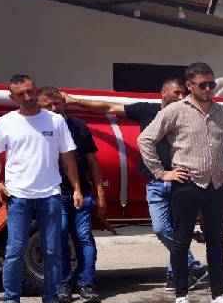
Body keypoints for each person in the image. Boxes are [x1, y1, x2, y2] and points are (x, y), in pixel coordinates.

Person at [65, 78, 208, 290]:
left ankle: (175, 274)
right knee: (161, 229)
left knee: (177, 230)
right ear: (163, 92)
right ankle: (192, 265)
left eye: (183, 94)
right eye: (176, 93)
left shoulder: (187, 114)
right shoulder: (146, 111)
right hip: (156, 181)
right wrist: (75, 101)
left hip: (182, 182)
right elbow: (109, 106)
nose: (180, 97)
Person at [138, 62, 223, 303]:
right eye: (204, 85)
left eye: (212, 84)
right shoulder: (175, 110)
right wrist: (162, 173)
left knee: (216, 243)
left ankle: (218, 295)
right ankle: (181, 296)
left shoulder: (221, 113)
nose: (209, 89)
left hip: (216, 185)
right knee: (181, 241)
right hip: (186, 184)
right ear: (189, 86)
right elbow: (145, 139)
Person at [0, 74, 80, 303]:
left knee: (53, 249)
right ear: (12, 97)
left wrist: (77, 188)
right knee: (15, 249)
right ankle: (10, 301)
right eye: (21, 94)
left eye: (30, 91)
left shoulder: (55, 121)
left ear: (35, 89)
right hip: (18, 196)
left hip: (50, 194)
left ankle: (51, 300)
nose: (27, 97)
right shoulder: (5, 123)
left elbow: (67, 156)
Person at [37, 87, 107, 303]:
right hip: (53, 194)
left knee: (84, 237)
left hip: (81, 193)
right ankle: (64, 284)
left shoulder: (78, 126)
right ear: (40, 106)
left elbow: (92, 162)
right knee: (60, 236)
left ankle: (87, 284)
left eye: (57, 103)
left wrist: (100, 194)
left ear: (64, 102)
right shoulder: (37, 128)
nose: (54, 108)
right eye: (48, 105)